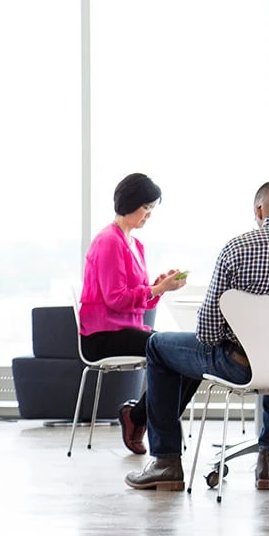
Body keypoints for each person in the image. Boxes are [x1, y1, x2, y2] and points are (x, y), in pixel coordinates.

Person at [125, 181, 269, 492]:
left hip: (239, 365)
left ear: (258, 211)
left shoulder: (238, 249)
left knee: (157, 346)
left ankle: (166, 462)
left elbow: (208, 332)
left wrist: (244, 337)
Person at [78, 173, 192, 454]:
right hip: (103, 335)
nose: (149, 216)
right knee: (183, 354)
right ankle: (145, 421)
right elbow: (115, 300)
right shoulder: (109, 241)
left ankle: (139, 417)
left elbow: (136, 299)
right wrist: (155, 290)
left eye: (152, 209)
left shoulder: (134, 245)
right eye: (146, 208)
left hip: (127, 330)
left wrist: (158, 288)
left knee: (192, 357)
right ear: (129, 204)